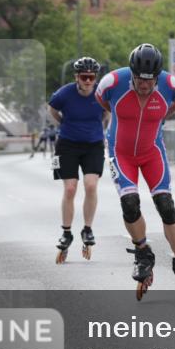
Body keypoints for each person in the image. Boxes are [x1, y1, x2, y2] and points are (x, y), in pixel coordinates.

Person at [96, 43, 175, 300]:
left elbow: (173, 105)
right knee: (129, 203)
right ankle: (143, 252)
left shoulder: (172, 87)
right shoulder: (111, 83)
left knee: (166, 204)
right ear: (131, 73)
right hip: (120, 153)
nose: (144, 86)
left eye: (149, 81)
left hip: (152, 151)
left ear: (158, 76)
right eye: (139, 80)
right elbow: (103, 102)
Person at [48, 56, 108, 263]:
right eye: (84, 77)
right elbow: (52, 109)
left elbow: (107, 113)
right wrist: (64, 123)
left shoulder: (101, 93)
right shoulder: (65, 93)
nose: (88, 81)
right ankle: (66, 232)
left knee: (91, 186)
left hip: (93, 144)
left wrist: (100, 129)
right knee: (70, 188)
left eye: (92, 77)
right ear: (77, 77)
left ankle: (87, 229)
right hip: (68, 144)